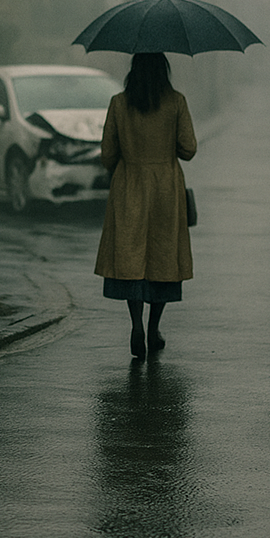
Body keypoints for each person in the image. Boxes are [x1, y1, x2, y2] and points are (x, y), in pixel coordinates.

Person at [94, 53, 197, 359]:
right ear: (164, 70)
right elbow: (189, 149)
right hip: (166, 188)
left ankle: (136, 325)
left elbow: (107, 154)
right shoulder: (176, 102)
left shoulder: (118, 103)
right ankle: (154, 328)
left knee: (132, 257)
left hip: (129, 186)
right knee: (162, 257)